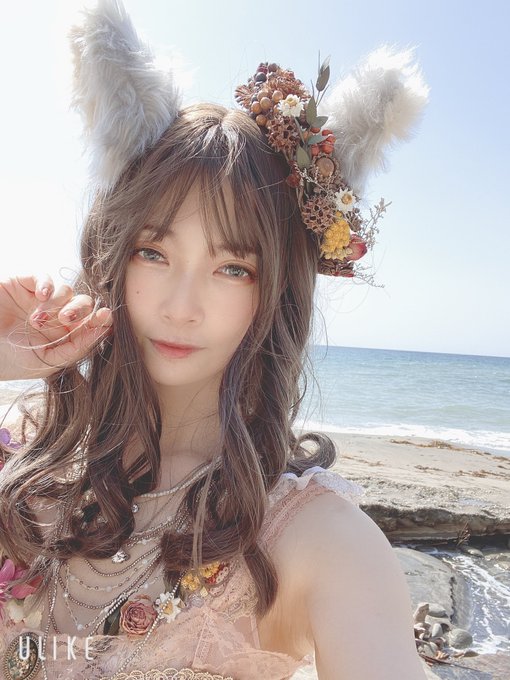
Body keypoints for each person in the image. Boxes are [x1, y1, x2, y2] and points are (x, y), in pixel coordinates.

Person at [0, 2, 429, 678]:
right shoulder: (29, 457)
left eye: (232, 268)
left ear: (276, 289)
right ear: (115, 255)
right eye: (153, 253)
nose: (181, 307)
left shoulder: (314, 538)